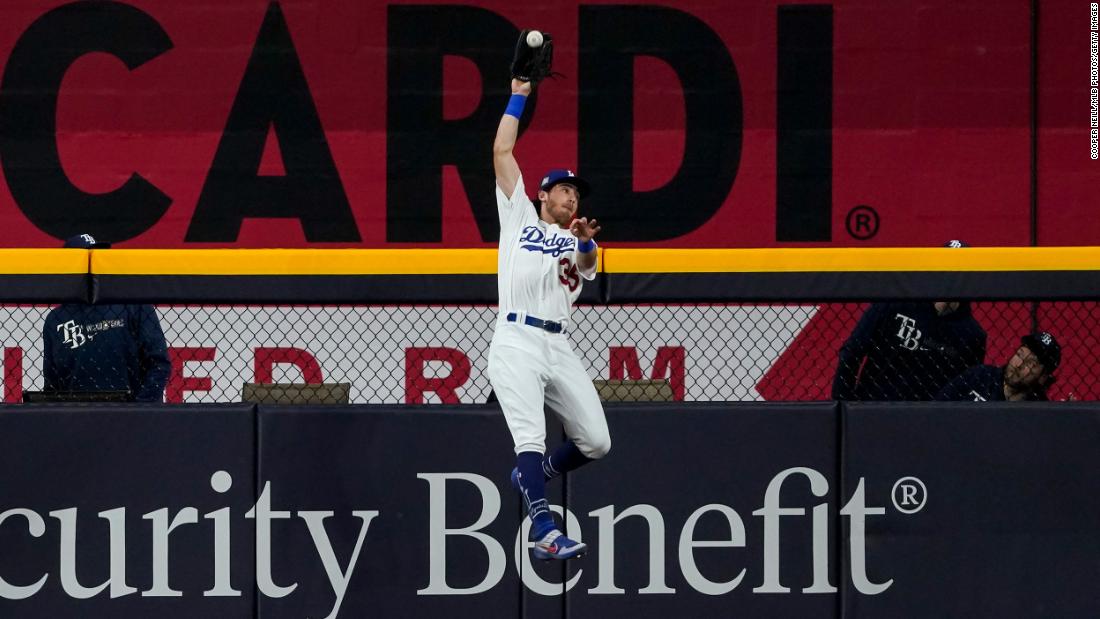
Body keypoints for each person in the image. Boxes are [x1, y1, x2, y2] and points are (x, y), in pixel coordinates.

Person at [487, 74, 609, 558]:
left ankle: (532, 476)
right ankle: (543, 529)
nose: (572, 197)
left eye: (576, 193)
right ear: (543, 196)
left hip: (558, 344)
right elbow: (500, 151)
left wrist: (582, 240)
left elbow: (585, 265)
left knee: (597, 442)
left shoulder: (583, 240)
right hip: (515, 337)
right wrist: (518, 93)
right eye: (563, 190)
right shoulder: (518, 217)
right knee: (531, 434)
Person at [831, 241, 988, 401]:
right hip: (873, 408)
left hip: (926, 419)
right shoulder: (895, 303)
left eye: (960, 269)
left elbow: (966, 386)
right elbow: (853, 351)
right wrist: (842, 405)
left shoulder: (972, 335)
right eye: (947, 266)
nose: (952, 275)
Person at [42, 234, 171, 402]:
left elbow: (159, 363)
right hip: (77, 420)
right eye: (88, 258)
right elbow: (52, 385)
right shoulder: (56, 319)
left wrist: (140, 410)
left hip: (130, 419)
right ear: (70, 266)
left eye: (99, 257)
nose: (96, 263)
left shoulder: (132, 303)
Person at [935, 331, 1061, 401]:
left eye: (1031, 363)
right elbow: (939, 404)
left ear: (1043, 377)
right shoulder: (981, 375)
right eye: (1020, 354)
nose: (1019, 364)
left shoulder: (1039, 409)